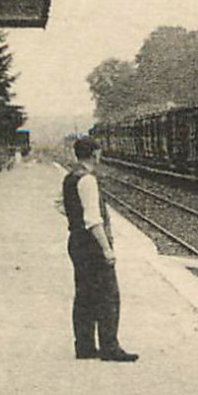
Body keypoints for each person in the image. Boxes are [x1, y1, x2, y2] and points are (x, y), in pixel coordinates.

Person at [62, 137, 138, 362]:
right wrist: (107, 249)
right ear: (95, 154)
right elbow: (94, 220)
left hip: (76, 241)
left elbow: (59, 204)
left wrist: (75, 219)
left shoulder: (70, 177)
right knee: (108, 295)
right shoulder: (87, 180)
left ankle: (84, 346)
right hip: (91, 245)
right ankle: (109, 347)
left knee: (84, 294)